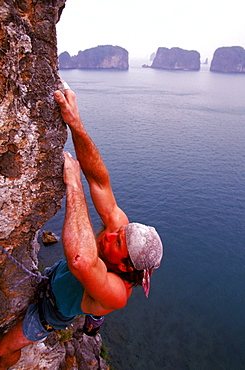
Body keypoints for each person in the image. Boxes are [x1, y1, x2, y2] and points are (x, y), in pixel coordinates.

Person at [0, 86, 163, 369]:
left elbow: (81, 260)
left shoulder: (117, 293)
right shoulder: (118, 234)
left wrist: (73, 183)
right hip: (54, 278)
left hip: (50, 312)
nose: (110, 234)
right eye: (119, 232)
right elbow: (100, 181)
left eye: (117, 243)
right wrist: (75, 122)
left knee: (3, 349)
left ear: (126, 266)